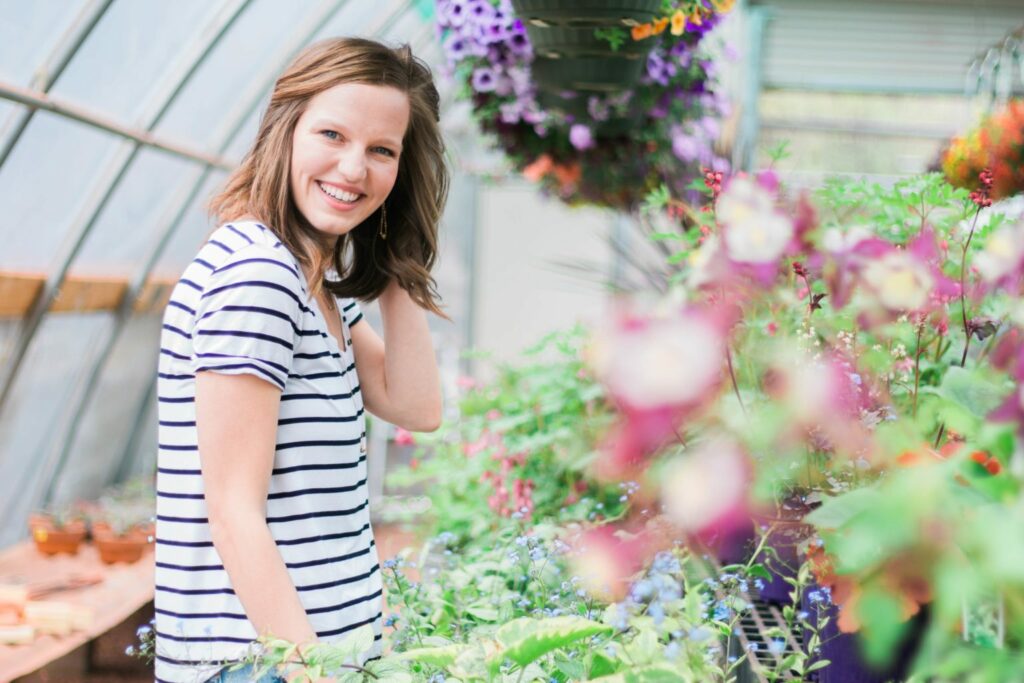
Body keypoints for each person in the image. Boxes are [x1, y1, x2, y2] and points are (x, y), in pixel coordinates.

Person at [154, 37, 448, 683]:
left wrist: (399, 256)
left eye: (382, 150)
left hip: (307, 654)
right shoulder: (257, 275)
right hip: (263, 663)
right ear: (284, 130)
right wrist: (309, 669)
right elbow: (232, 511)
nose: (353, 168)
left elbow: (417, 406)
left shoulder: (307, 283)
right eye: (332, 134)